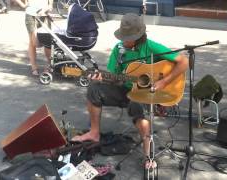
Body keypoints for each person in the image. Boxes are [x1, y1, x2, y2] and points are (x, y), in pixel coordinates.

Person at [71, 13, 189, 167]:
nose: (123, 40)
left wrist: (164, 82)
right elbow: (113, 76)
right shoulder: (119, 50)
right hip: (124, 90)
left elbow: (184, 61)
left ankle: (148, 155)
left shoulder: (151, 46)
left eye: (127, 37)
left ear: (137, 36)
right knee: (94, 88)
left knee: (136, 104)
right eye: (123, 36)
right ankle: (94, 133)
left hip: (148, 93)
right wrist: (103, 78)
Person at [13, 0, 53, 76]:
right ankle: (34, 66)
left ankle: (49, 64)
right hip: (31, 14)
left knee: (48, 41)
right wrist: (23, 5)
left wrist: (50, 5)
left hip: (44, 13)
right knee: (33, 42)